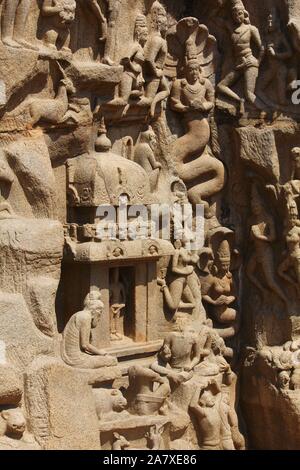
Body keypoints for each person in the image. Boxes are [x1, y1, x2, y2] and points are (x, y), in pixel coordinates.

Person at [216, 1, 264, 113]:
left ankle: (266, 111)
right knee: (220, 86)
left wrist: (257, 62)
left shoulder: (251, 29)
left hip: (249, 62)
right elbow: (216, 19)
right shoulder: (230, 29)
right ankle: (239, 100)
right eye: (235, 15)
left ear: (245, 14)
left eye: (240, 13)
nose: (237, 17)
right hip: (238, 64)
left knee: (249, 94)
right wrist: (219, 5)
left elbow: (262, 47)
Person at [61, 291, 117, 368]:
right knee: (112, 360)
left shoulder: (78, 314)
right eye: (100, 312)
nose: (99, 317)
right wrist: (101, 353)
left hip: (71, 355)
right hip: (75, 359)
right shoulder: (86, 317)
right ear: (96, 310)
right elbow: (85, 345)